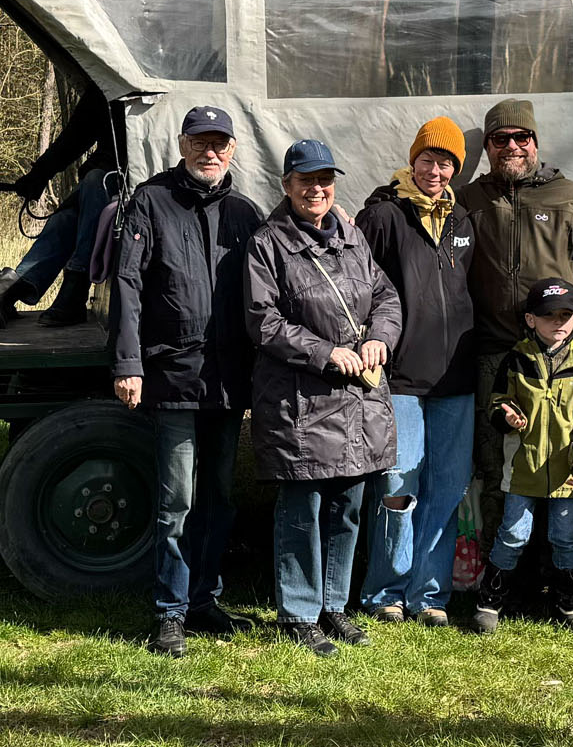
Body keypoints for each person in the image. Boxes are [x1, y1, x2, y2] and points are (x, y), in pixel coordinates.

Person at [111, 106, 261, 657]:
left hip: (226, 380)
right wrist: (129, 363)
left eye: (220, 142)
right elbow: (127, 285)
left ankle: (203, 599)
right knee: (177, 500)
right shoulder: (150, 202)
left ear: (233, 149)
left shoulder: (245, 213)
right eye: (200, 141)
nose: (210, 152)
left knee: (219, 497)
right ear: (182, 144)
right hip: (172, 375)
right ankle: (170, 611)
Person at [244, 139, 402, 657]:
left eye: (325, 180)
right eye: (306, 180)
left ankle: (334, 608)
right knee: (302, 511)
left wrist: (381, 335)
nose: (317, 189)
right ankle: (299, 613)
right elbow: (262, 321)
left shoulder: (353, 238)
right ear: (286, 186)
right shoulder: (267, 244)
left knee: (348, 508)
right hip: (301, 402)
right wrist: (325, 352)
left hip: (356, 401)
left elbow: (386, 296)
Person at [462, 99, 573, 544]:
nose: (512, 146)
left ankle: (556, 561)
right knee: (498, 455)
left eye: (522, 137)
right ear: (488, 147)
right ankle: (502, 565)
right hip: (497, 353)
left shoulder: (569, 197)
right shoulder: (472, 200)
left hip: (560, 356)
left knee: (560, 454)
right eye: (501, 139)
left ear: (536, 142)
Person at [357, 117, 477, 628]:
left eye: (446, 161)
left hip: (456, 379)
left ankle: (429, 594)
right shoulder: (384, 215)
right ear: (413, 160)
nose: (436, 169)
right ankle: (386, 589)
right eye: (428, 158)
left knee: (447, 487)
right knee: (398, 487)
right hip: (400, 377)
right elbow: (360, 288)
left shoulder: (463, 221)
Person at [472, 278, 573, 635]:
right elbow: (496, 402)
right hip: (522, 468)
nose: (558, 323)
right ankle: (490, 600)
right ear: (531, 320)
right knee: (513, 535)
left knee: (565, 537)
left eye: (566, 315)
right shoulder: (516, 359)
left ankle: (571, 601)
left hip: (567, 472)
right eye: (549, 316)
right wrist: (507, 416)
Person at [1, 84, 122, 327]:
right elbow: (73, 139)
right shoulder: (108, 89)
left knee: (95, 179)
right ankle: (12, 290)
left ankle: (76, 287)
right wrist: (38, 176)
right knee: (64, 220)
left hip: (129, 186)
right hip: (98, 190)